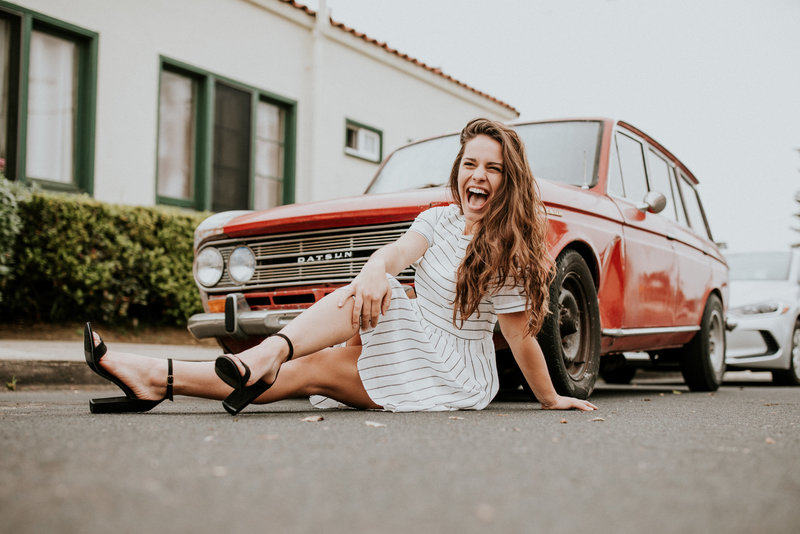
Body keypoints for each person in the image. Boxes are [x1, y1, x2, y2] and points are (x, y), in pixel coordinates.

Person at [84, 118, 598, 415]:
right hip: (411, 332)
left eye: (493, 168)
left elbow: (521, 340)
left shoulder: (506, 250)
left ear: (509, 181)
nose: (478, 175)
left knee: (311, 370)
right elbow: (395, 255)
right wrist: (375, 271)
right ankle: (237, 361)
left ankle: (161, 377)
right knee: (373, 290)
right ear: (457, 171)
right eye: (470, 164)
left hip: (448, 370)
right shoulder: (437, 219)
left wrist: (552, 398)